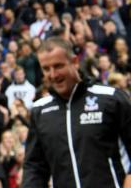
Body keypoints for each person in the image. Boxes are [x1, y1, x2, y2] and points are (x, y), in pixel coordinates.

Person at [22, 36, 131, 188]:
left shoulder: (111, 99)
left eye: (58, 66)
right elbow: (35, 168)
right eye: (46, 69)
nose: (53, 75)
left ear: (74, 62)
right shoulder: (40, 111)